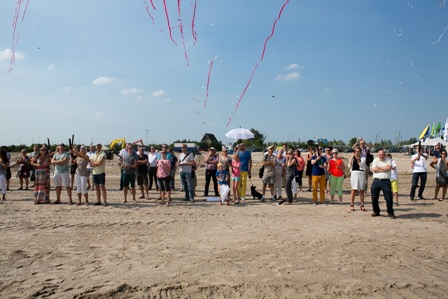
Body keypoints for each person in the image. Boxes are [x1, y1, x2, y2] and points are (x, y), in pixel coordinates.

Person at [370, 150, 395, 219]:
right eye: (380, 155)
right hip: (376, 180)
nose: (381, 156)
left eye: (382, 155)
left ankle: (390, 212)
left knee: (388, 198)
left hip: (386, 181)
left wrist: (379, 168)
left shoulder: (388, 159)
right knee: (374, 197)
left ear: (385, 155)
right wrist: (383, 168)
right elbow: (373, 169)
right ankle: (376, 211)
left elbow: (389, 168)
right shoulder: (375, 160)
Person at [348, 147, 367, 211]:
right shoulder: (352, 158)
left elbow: (361, 165)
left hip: (361, 173)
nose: (357, 152)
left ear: (360, 152)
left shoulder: (363, 158)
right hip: (354, 173)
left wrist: (358, 159)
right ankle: (352, 204)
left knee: (361, 190)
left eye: (358, 151)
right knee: (353, 190)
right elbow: (349, 166)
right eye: (356, 151)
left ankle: (362, 205)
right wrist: (351, 160)